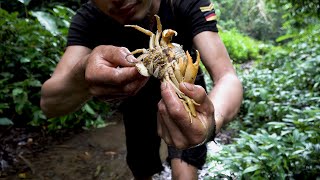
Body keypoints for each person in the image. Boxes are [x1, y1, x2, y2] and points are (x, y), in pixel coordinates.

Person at [40, 0, 243, 179]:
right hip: (136, 101)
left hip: (184, 94)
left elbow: (227, 77)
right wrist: (81, 73)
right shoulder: (88, 19)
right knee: (141, 168)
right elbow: (48, 103)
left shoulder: (185, 3)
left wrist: (209, 122)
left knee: (185, 170)